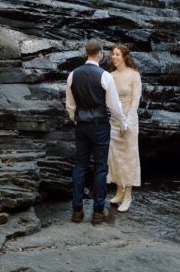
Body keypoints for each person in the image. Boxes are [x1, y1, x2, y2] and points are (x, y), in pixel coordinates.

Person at [66, 39, 129, 226]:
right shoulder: (105, 76)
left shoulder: (72, 75)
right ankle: (98, 211)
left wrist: (75, 118)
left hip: (81, 125)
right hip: (99, 125)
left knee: (80, 166)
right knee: (100, 167)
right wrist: (123, 123)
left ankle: (77, 211)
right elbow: (114, 106)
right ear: (100, 54)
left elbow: (70, 105)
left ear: (86, 53)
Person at [108, 43, 142, 213]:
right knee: (115, 157)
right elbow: (109, 101)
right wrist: (118, 120)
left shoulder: (134, 75)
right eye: (112, 54)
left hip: (129, 121)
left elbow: (136, 100)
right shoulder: (110, 75)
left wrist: (126, 122)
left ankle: (128, 195)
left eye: (117, 54)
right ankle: (119, 191)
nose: (114, 57)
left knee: (128, 158)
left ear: (124, 57)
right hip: (114, 121)